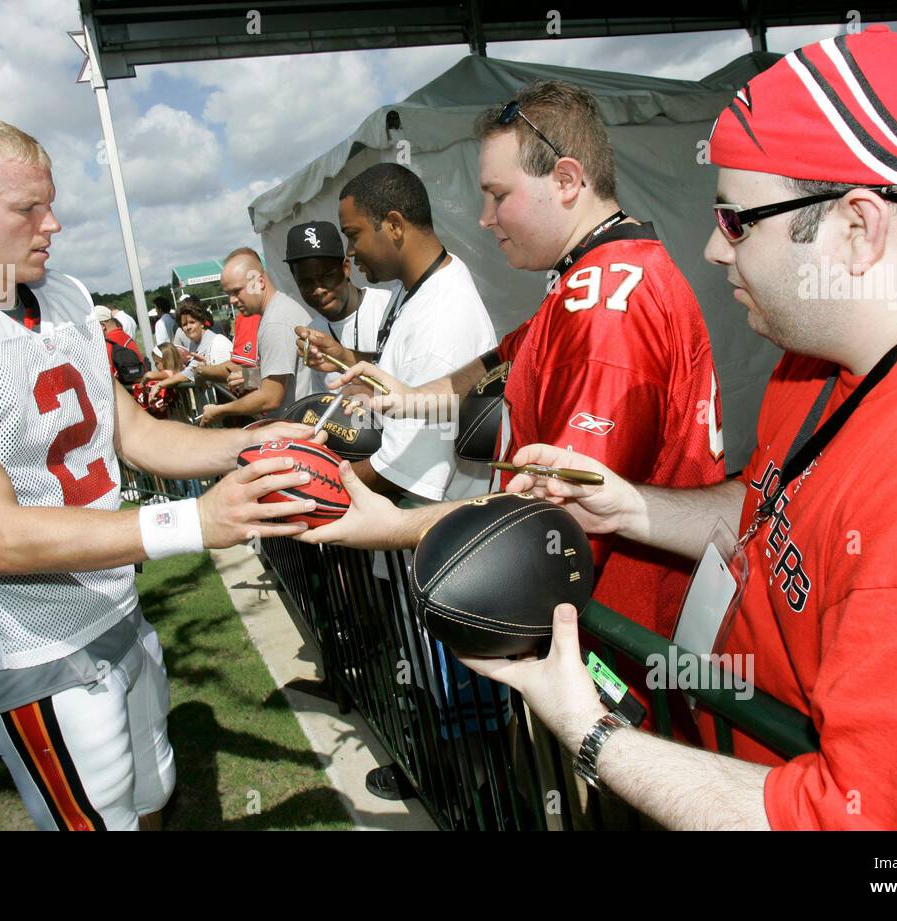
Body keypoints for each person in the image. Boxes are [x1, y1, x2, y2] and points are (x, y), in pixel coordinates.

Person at [458, 29, 897, 830]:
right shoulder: (826, 348)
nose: (711, 248)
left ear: (857, 227)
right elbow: (779, 509)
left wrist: (591, 734)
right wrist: (632, 506)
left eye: (738, 220)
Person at [0, 114, 323, 832]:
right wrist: (195, 521)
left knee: (153, 795)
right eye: (27, 209)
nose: (52, 224)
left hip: (117, 606)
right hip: (35, 643)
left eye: (49, 203)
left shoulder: (66, 300)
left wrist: (253, 442)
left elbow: (136, 434)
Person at [303, 82, 724, 654]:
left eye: (498, 196)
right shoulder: (589, 279)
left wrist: (392, 527)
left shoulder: (603, 307)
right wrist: (408, 396)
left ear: (567, 181)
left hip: (617, 630)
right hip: (603, 615)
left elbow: (555, 516)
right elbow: (502, 357)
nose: (484, 218)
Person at [296, 164, 497, 502]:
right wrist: (345, 357)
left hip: (437, 524)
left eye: (353, 234)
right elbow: (405, 368)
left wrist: (306, 480)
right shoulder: (419, 285)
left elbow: (400, 471)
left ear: (394, 225)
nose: (350, 251)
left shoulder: (440, 320)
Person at [200, 247, 329, 425]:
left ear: (259, 282)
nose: (231, 300)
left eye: (237, 291)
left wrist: (221, 410)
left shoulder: (275, 322)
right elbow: (287, 375)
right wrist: (249, 377)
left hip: (299, 426)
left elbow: (271, 398)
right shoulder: (278, 310)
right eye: (228, 293)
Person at [283, 219, 390, 363]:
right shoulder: (314, 333)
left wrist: (346, 359)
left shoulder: (388, 308)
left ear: (346, 268)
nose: (318, 290)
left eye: (327, 276)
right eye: (306, 282)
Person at [96, 305, 147, 385]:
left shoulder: (108, 343)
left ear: (102, 326)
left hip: (125, 392)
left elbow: (108, 378)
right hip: (139, 387)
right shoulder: (126, 337)